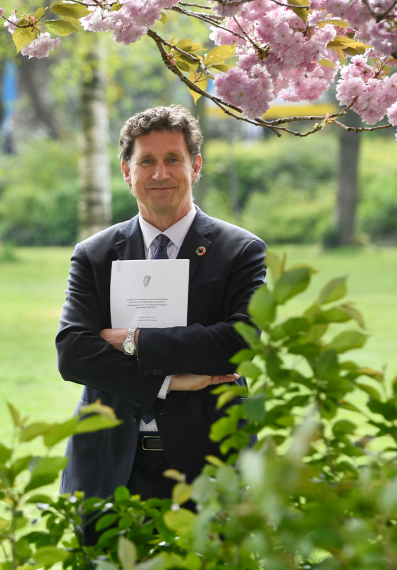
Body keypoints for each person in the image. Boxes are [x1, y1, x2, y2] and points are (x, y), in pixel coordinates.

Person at [56, 106, 266, 536]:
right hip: (109, 466)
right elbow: (74, 354)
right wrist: (169, 381)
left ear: (196, 166)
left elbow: (240, 342)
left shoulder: (241, 252)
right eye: (146, 161)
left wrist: (132, 339)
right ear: (126, 171)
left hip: (209, 462)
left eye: (173, 159)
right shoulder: (94, 254)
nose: (160, 173)